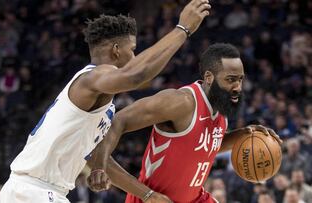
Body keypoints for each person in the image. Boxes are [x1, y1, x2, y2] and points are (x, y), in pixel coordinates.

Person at [0, 0, 212, 202]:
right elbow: (136, 76)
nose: (135, 57)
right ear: (116, 50)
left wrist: (147, 195)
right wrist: (182, 29)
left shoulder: (100, 98)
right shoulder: (91, 78)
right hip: (35, 191)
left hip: (36, 190)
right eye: (133, 50)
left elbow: (94, 157)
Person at [87, 43, 282, 203]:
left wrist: (245, 134)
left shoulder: (221, 108)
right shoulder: (181, 102)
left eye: (240, 80)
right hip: (154, 199)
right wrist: (100, 167)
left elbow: (200, 146)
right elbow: (119, 121)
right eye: (231, 80)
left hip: (194, 199)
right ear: (209, 77)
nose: (237, 87)